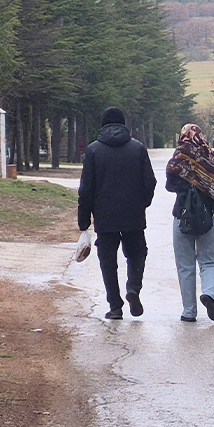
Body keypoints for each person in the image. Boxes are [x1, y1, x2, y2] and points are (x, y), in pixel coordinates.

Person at [78, 107, 157, 320]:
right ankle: (133, 288)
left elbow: (86, 189)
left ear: (103, 125)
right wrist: (142, 203)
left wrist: (84, 219)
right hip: (133, 215)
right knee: (137, 254)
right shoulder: (137, 148)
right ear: (123, 124)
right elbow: (150, 181)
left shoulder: (93, 151)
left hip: (105, 216)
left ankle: (115, 306)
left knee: (108, 261)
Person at [165, 124, 214, 323]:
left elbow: (169, 185)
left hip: (182, 218)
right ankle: (209, 294)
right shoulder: (213, 161)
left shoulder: (179, 159)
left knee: (185, 266)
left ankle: (189, 312)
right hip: (208, 220)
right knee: (209, 262)